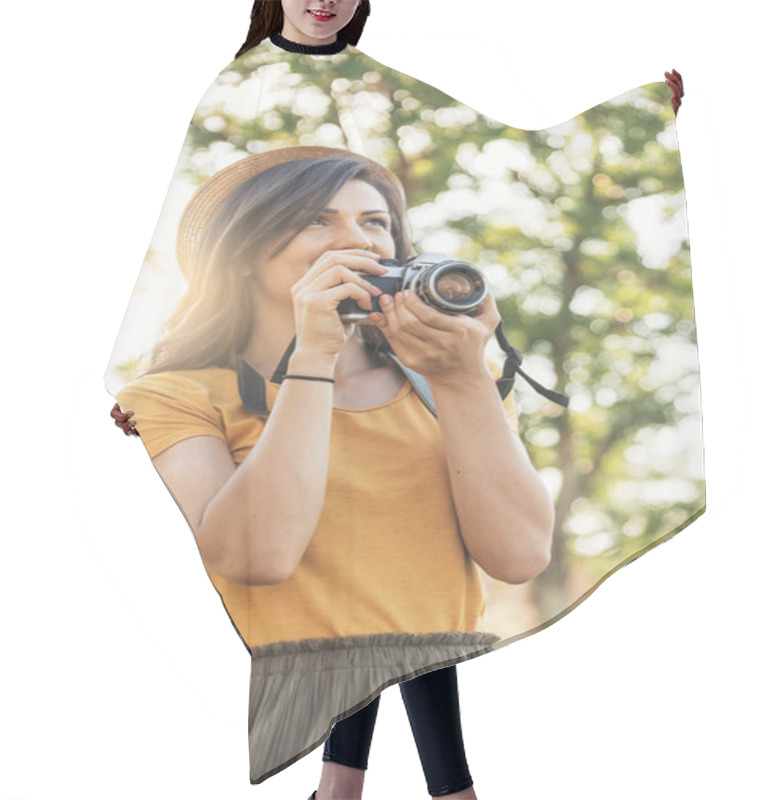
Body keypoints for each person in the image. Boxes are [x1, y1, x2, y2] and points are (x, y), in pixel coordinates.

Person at [109, 3, 556, 798]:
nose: (358, 239)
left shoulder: (443, 380)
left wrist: (462, 381)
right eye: (318, 219)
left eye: (377, 224)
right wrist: (311, 357)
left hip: (424, 624)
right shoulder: (180, 396)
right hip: (306, 654)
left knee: (413, 654)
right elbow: (254, 558)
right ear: (246, 255)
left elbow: (519, 559)